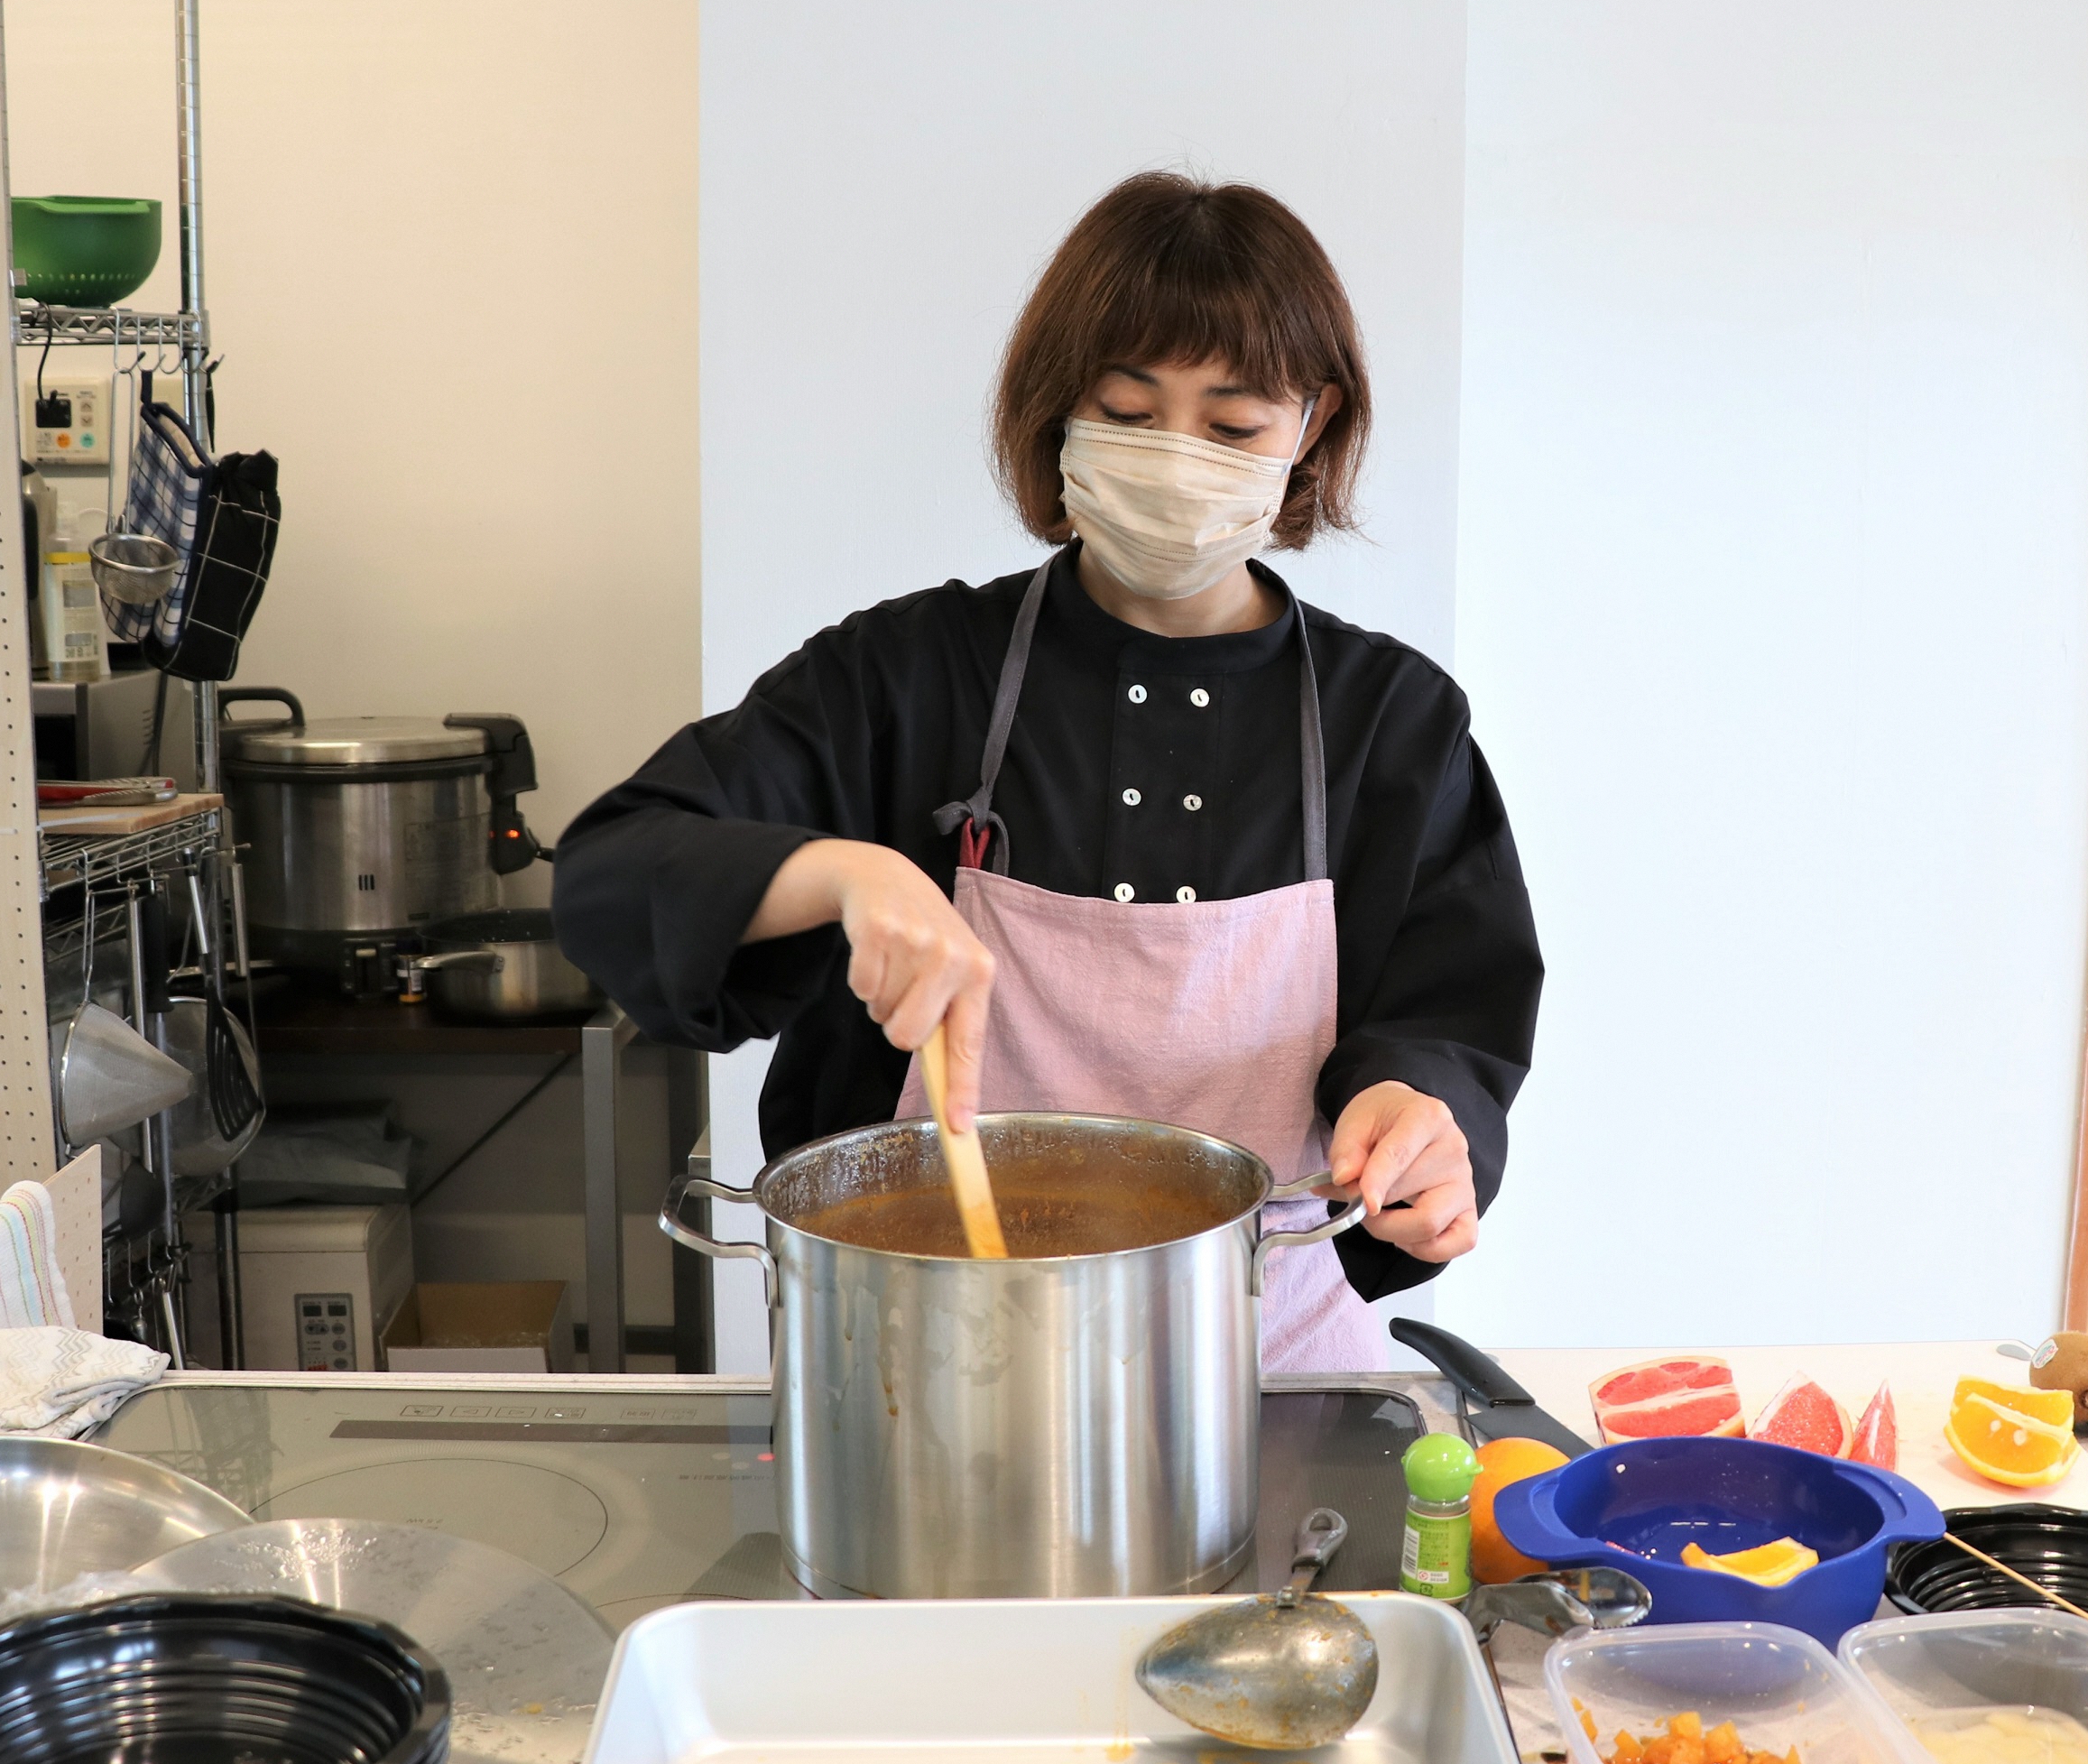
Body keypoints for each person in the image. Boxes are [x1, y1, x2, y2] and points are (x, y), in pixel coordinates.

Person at [553, 171, 1539, 1371]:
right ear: (1061, 409)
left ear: (1311, 426)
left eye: (1231, 429)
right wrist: (840, 874)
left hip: (1277, 1385)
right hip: (921, 1376)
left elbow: (1454, 1017)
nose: (1178, 460)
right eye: (1129, 410)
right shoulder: (905, 678)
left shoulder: (1397, 722)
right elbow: (611, 869)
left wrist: (1422, 1116)